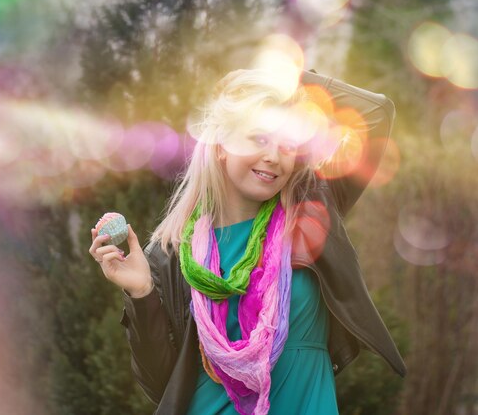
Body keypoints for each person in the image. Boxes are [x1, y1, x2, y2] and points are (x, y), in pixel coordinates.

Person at [89, 69, 407, 415]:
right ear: (222, 147)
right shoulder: (171, 254)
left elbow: (376, 114)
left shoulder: (311, 215)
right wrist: (142, 293)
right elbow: (159, 382)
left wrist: (288, 76)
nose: (274, 156)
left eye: (287, 145)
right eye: (258, 139)